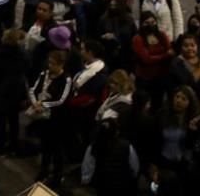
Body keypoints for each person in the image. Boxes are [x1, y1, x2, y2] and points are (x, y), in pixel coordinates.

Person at [28, 50, 73, 188]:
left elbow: (61, 100)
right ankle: (44, 170)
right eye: (49, 63)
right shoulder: (44, 74)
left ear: (61, 64)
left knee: (57, 148)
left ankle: (58, 175)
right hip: (42, 117)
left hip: (58, 119)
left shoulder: (66, 79)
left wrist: (43, 105)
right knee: (45, 145)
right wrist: (35, 102)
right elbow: (33, 89)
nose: (50, 66)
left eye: (53, 64)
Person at [81, 117, 140, 195]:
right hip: (124, 186)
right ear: (116, 132)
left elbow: (87, 170)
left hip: (103, 187)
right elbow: (135, 168)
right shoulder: (127, 146)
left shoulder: (93, 147)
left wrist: (86, 182)